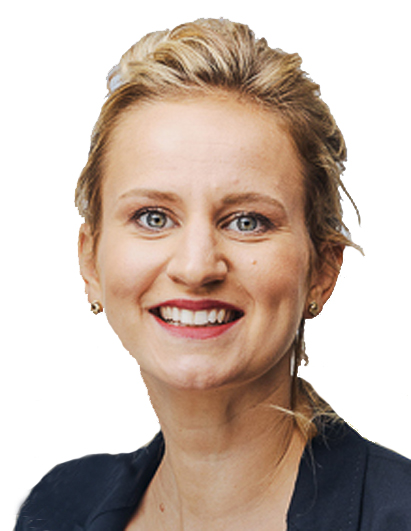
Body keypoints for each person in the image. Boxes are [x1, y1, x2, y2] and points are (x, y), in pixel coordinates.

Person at [14, 18, 411, 531]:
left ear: (323, 268)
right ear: (90, 261)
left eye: (247, 221)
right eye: (153, 217)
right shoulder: (58, 508)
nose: (196, 266)